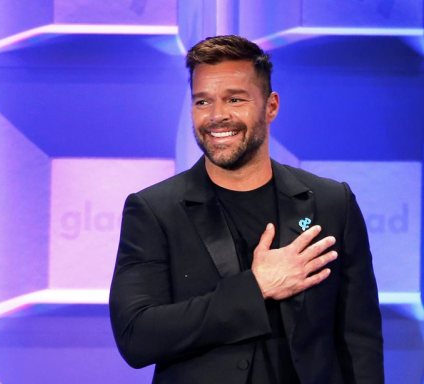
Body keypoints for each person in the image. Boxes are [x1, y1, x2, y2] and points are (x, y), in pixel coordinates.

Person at [109, 35, 383, 384]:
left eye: (234, 99)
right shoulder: (154, 210)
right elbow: (137, 336)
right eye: (202, 102)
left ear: (271, 106)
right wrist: (255, 287)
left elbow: (359, 341)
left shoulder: (332, 203)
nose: (217, 116)